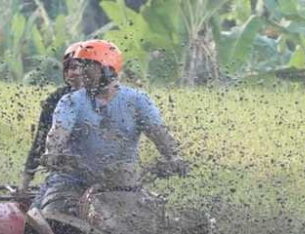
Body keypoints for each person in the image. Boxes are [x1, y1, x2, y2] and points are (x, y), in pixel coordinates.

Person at [23, 39, 188, 213]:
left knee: (154, 224)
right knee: (50, 218)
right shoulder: (71, 101)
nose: (81, 71)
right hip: (72, 181)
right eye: (81, 65)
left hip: (123, 184)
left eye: (88, 66)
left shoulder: (138, 101)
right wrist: (52, 153)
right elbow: (58, 133)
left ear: (108, 69)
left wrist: (173, 157)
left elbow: (159, 134)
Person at [20, 42, 84, 190]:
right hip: (67, 174)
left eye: (80, 67)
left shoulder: (111, 99)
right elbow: (41, 140)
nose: (74, 73)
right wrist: (25, 180)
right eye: (70, 68)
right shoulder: (58, 99)